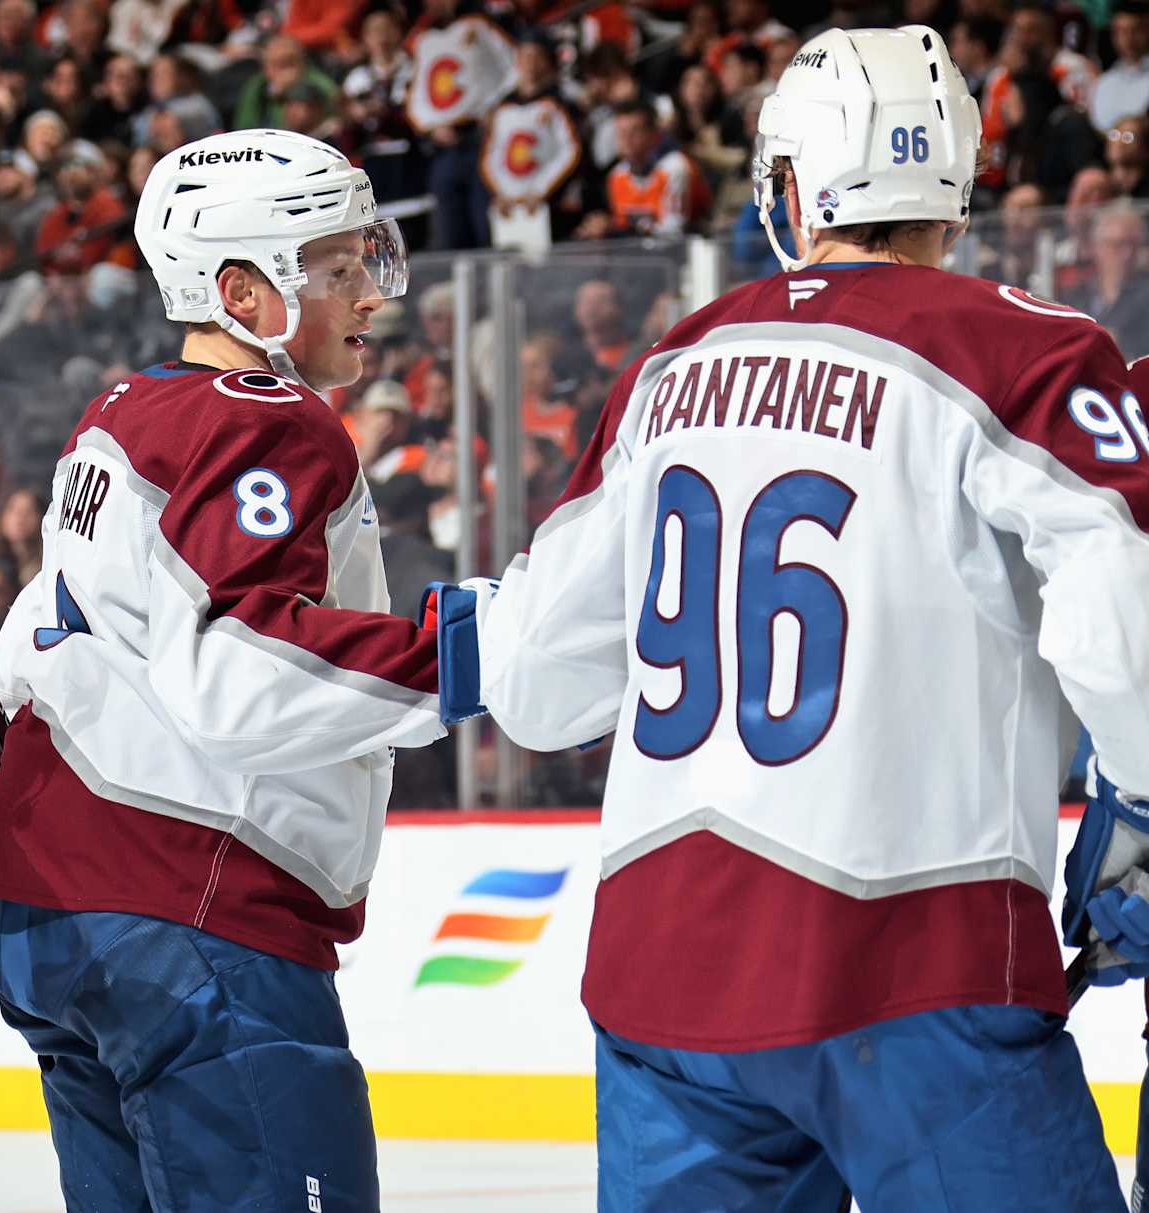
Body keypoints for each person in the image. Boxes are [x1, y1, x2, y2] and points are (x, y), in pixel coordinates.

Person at [435, 25, 1146, 1210]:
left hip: (666, 982)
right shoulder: (1031, 348)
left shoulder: (675, 361)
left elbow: (532, 679)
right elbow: (1121, 625)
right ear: (952, 181)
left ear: (798, 180)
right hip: (921, 963)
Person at [0, 129, 445, 1212]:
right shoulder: (274, 423)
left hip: (51, 904)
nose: (370, 292)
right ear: (243, 291)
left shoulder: (123, 413)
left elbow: (33, 638)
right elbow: (239, 667)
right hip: (191, 905)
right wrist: (458, 653)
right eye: (337, 269)